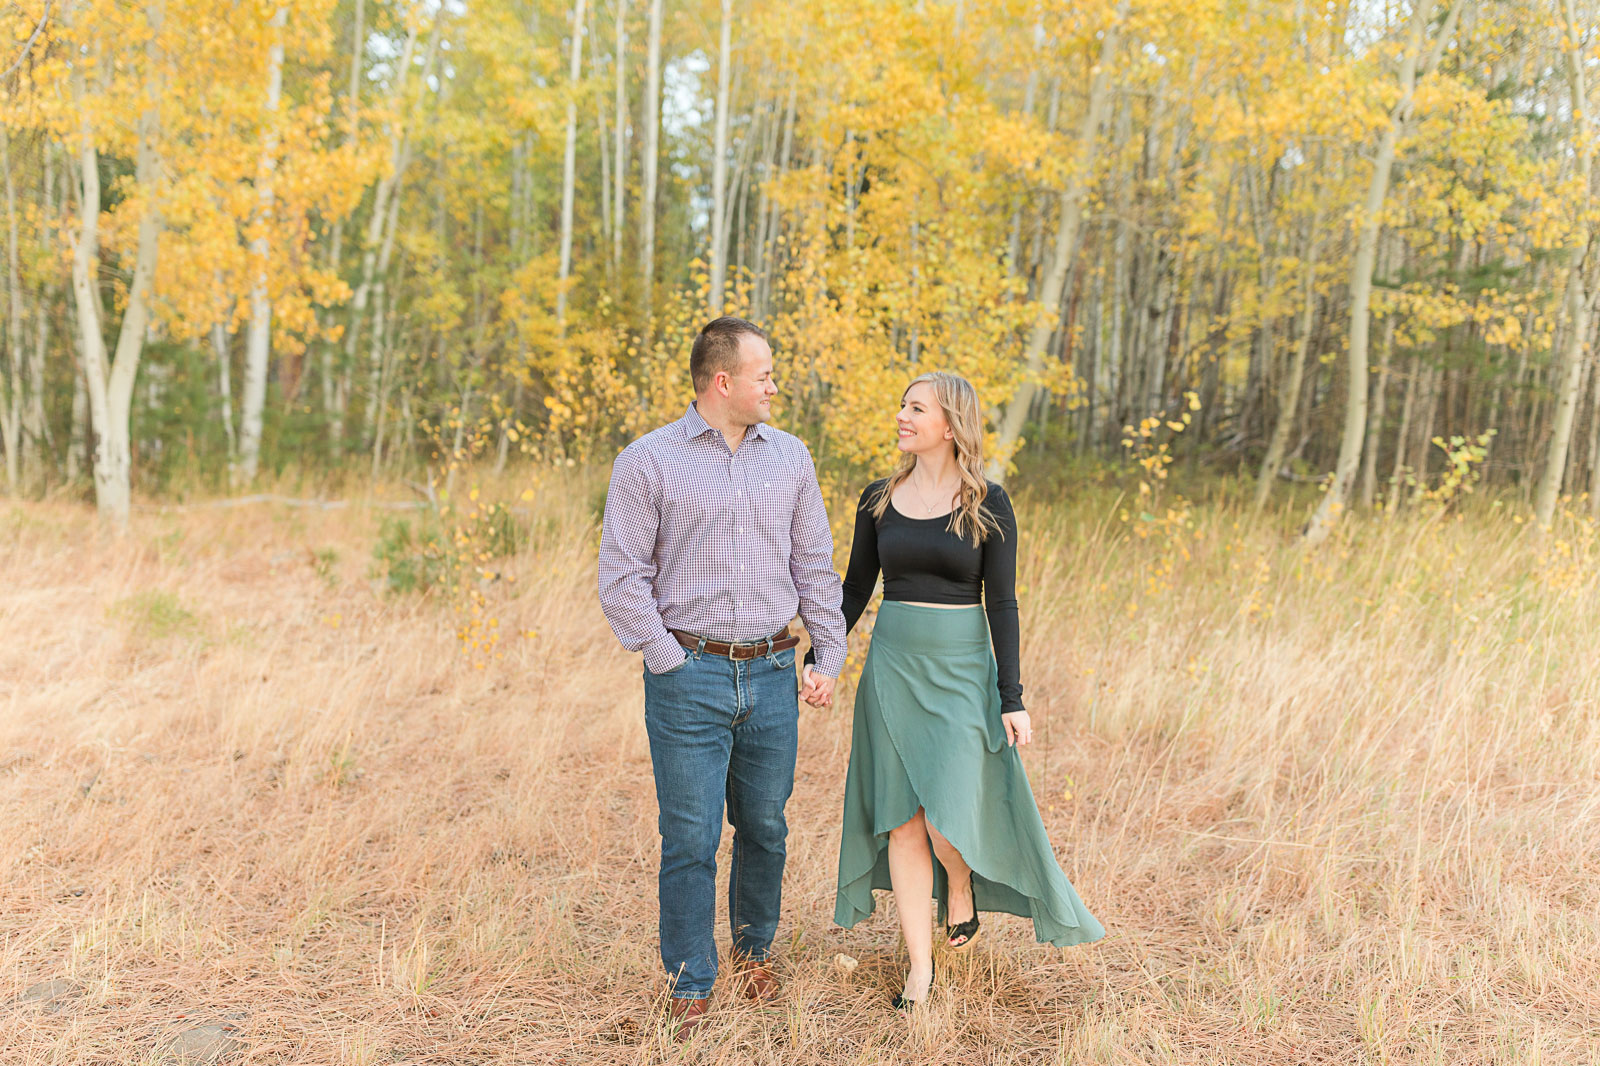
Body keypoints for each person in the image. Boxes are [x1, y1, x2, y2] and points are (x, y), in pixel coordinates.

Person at [810, 370, 1104, 1010]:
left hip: (961, 674)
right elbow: (855, 588)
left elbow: (1003, 602)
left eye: (916, 408)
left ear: (950, 424)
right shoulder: (877, 499)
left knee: (946, 820)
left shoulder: (988, 503)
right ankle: (919, 970)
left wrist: (1012, 695)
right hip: (892, 671)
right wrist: (823, 655)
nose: (902, 415)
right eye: (902, 405)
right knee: (901, 822)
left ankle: (960, 885)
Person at [597, 316, 846, 1040]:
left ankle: (753, 950)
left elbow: (813, 566)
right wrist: (668, 658)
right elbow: (622, 579)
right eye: (764, 375)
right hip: (689, 674)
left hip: (772, 672)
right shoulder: (647, 461)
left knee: (765, 826)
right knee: (691, 836)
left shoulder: (791, 457)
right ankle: (689, 983)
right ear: (723, 381)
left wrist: (826, 656)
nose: (774, 387)